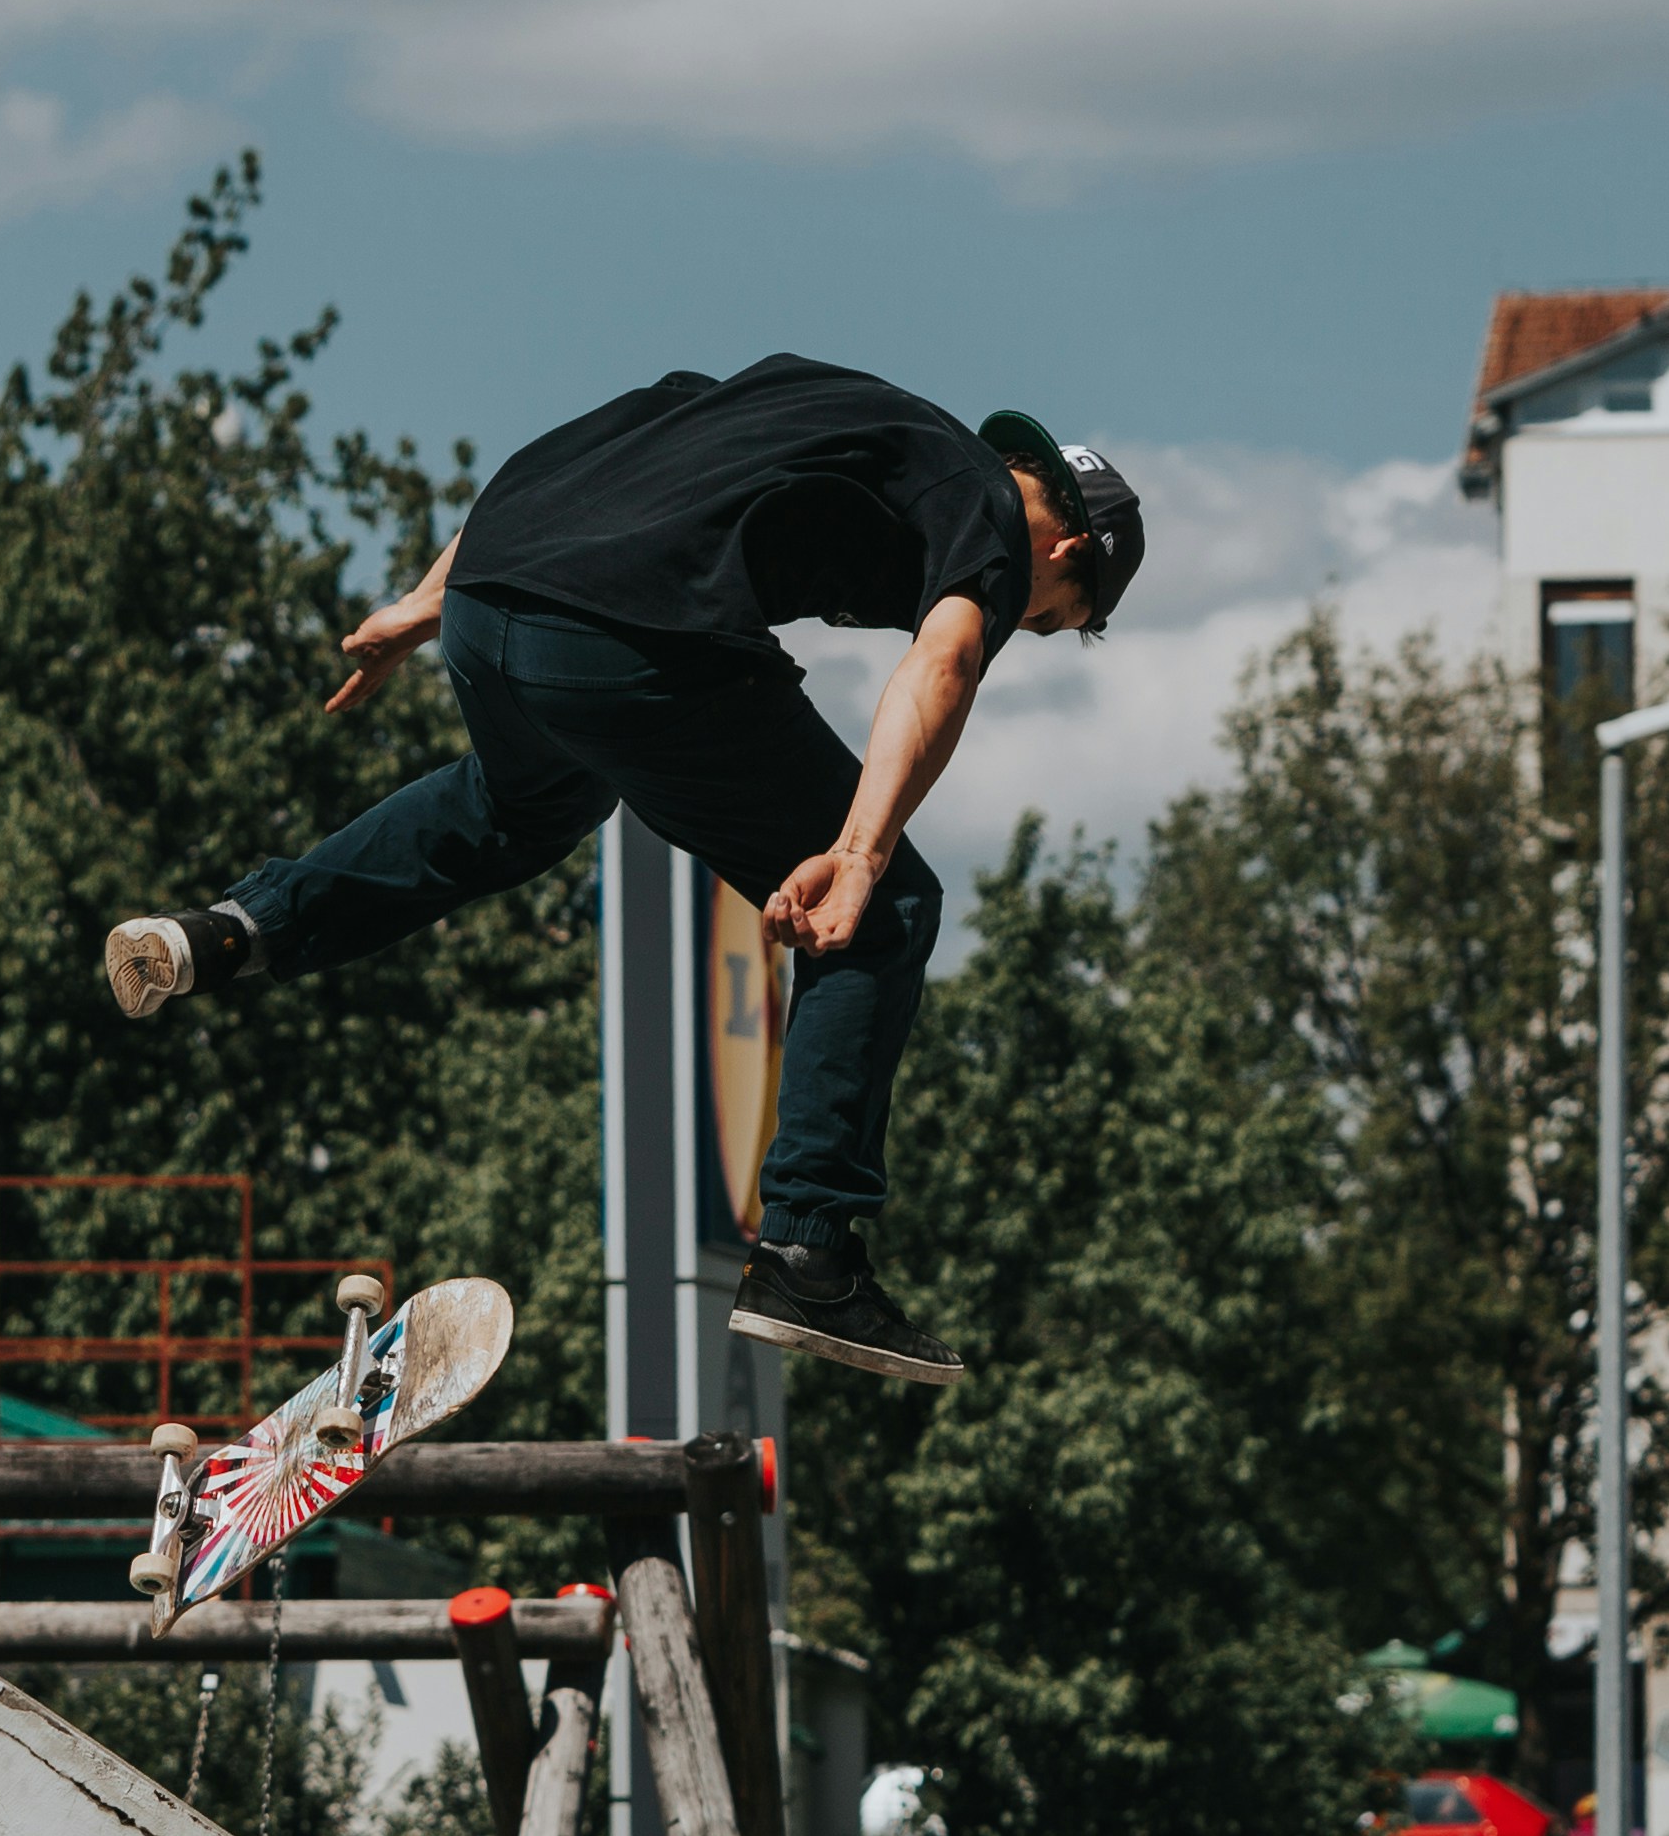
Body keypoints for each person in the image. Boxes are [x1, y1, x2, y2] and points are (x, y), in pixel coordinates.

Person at [99, 357, 1151, 1391]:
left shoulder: (801, 402)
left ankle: (235, 928)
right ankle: (806, 1255)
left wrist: (428, 602)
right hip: (630, 641)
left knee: (518, 806)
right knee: (886, 910)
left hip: (495, 597)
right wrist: (860, 854)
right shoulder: (989, 514)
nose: (1030, 619)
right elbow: (945, 661)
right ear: (1066, 545)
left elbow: (581, 466)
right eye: (1055, 615)